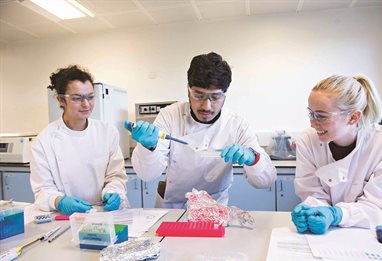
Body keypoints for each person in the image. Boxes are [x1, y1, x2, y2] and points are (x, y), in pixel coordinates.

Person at [126, 52, 276, 208]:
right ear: (188, 90)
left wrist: (253, 159)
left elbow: (266, 181)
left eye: (215, 97)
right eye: (198, 95)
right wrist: (148, 147)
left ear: (225, 94)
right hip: (172, 210)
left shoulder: (236, 124)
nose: (206, 106)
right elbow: (147, 174)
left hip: (214, 210)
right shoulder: (170, 115)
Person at [30, 65, 129, 215]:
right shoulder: (44, 141)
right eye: (77, 98)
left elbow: (115, 175)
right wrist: (59, 201)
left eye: (90, 96)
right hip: (67, 216)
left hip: (105, 212)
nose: (86, 104)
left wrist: (113, 191)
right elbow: (42, 189)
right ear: (61, 100)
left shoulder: (107, 132)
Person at [292, 75, 382, 234]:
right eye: (310, 114)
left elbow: (376, 206)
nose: (312, 123)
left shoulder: (378, 144)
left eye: (321, 116)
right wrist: (310, 211)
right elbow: (312, 192)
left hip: (366, 233)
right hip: (326, 236)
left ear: (353, 117)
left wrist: (336, 214)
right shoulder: (308, 140)